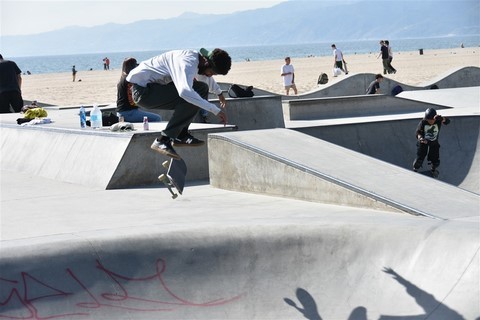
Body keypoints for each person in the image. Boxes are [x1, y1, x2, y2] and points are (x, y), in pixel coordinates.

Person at [126, 48, 231, 160]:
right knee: (192, 94)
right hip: (143, 92)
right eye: (212, 72)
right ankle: (163, 140)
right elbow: (184, 92)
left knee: (201, 88)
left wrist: (219, 93)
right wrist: (215, 110)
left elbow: (204, 78)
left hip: (153, 88)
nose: (210, 76)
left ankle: (181, 134)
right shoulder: (187, 62)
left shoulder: (197, 61)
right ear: (206, 63)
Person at [116, 57, 162, 123]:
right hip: (128, 113)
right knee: (157, 118)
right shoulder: (129, 80)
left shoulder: (122, 78)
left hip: (122, 112)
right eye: (135, 64)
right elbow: (132, 100)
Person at [413, 108, 450, 173]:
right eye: (428, 120)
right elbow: (418, 133)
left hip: (434, 142)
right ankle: (415, 169)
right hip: (423, 142)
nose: (430, 122)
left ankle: (433, 169)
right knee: (420, 158)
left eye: (431, 120)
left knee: (435, 159)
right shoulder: (423, 122)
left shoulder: (438, 120)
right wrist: (421, 138)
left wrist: (442, 119)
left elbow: (447, 121)